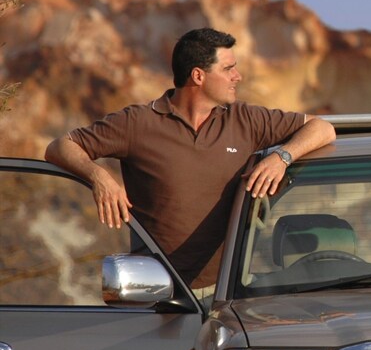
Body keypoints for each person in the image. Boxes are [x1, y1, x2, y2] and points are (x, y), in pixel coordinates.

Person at [45, 27, 335, 291]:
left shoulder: (247, 119)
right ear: (198, 76)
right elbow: (60, 147)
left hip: (228, 294)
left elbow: (322, 128)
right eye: (229, 69)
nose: (238, 77)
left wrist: (282, 156)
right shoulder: (137, 123)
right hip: (158, 295)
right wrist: (100, 177)